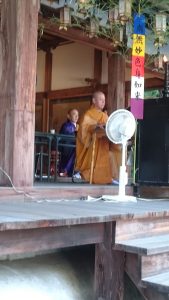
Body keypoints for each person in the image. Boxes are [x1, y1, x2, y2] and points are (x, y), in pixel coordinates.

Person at [74, 91, 121, 184]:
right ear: (94, 100)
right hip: (91, 145)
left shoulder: (104, 115)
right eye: (100, 99)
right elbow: (83, 130)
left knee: (115, 152)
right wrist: (95, 126)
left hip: (105, 144)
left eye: (104, 100)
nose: (103, 102)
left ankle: (111, 177)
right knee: (98, 152)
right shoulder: (88, 114)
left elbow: (110, 129)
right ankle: (90, 174)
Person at [59, 108, 79, 177]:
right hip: (67, 147)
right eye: (74, 114)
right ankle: (66, 171)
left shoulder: (77, 126)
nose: (76, 116)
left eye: (77, 115)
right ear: (68, 116)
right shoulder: (66, 125)